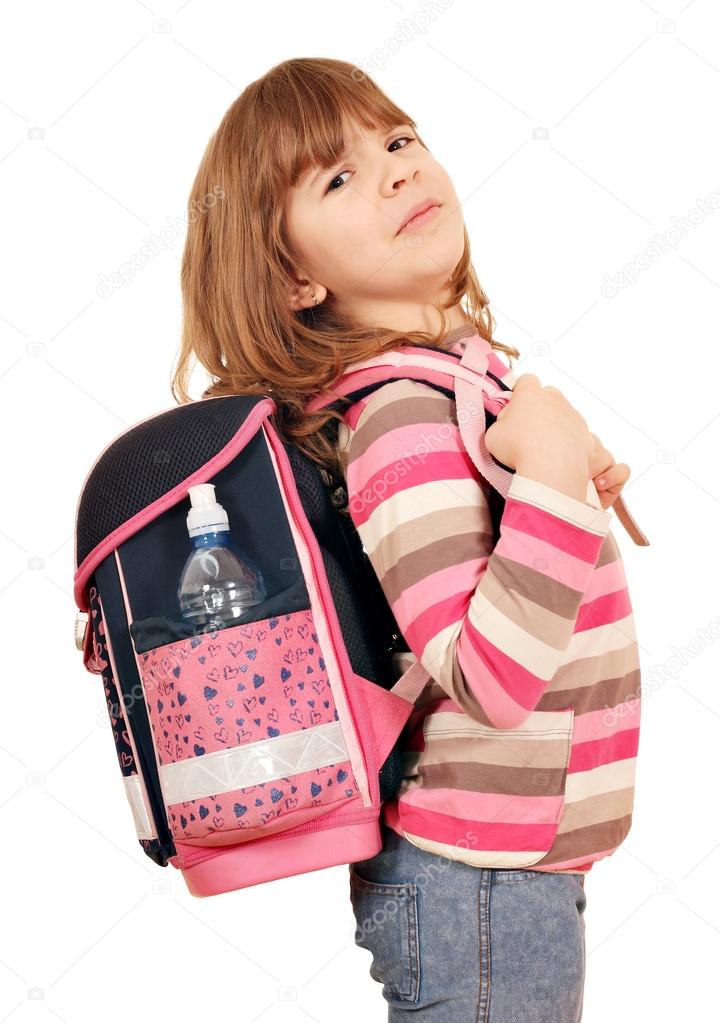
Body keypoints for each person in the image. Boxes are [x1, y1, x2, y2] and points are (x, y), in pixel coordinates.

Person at [172, 56, 641, 1023]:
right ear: (295, 277)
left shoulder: (447, 389)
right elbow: (493, 678)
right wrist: (549, 474)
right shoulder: (400, 420)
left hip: (506, 871)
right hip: (478, 882)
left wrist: (552, 473)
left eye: (396, 141)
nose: (394, 171)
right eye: (337, 177)